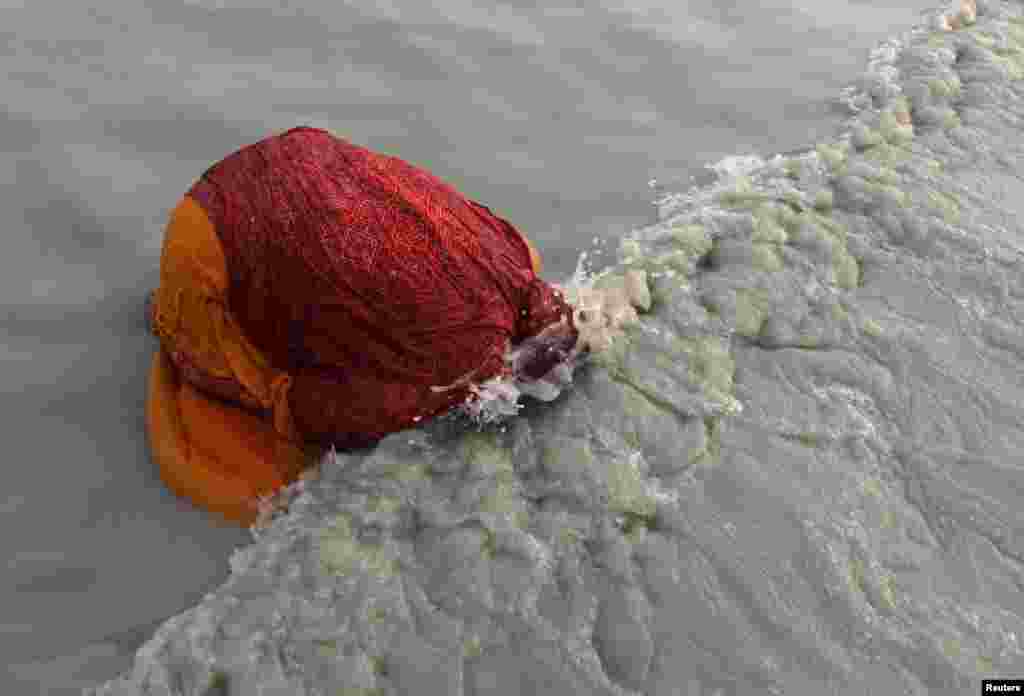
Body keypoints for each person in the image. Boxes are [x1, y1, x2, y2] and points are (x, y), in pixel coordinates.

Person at [145, 127, 578, 524]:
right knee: (228, 375)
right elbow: (309, 412)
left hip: (311, 157)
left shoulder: (505, 255)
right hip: (206, 238)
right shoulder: (452, 370)